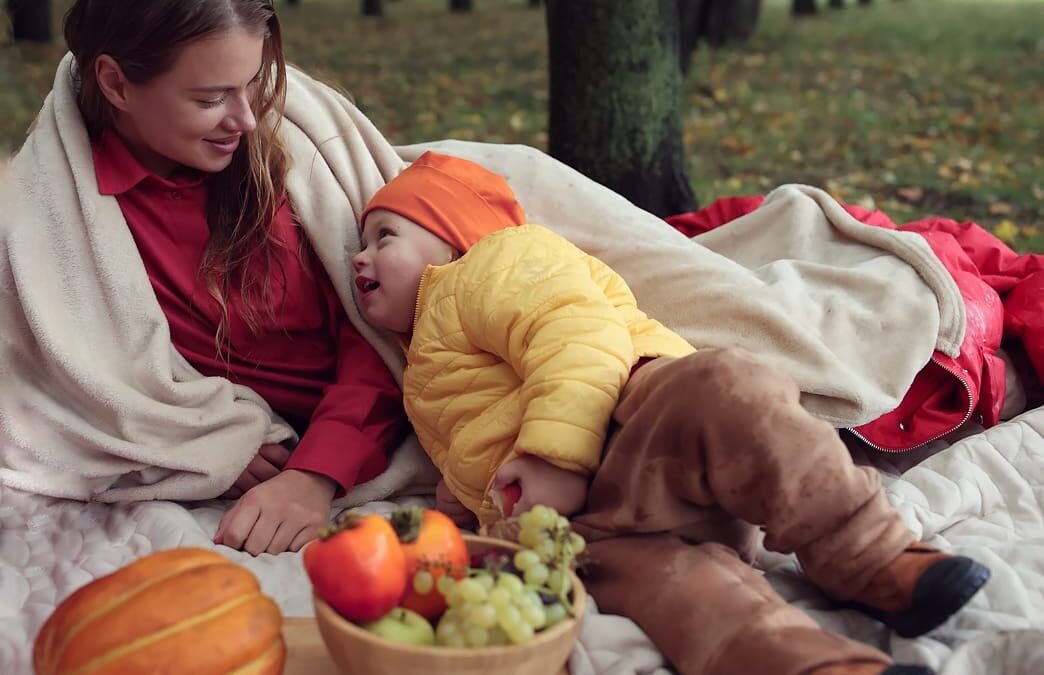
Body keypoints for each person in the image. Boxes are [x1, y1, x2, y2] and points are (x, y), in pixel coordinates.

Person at [351, 150, 991, 675]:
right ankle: (812, 665)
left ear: (454, 232)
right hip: (590, 527)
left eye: (386, 236)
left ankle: (867, 554)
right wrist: (465, 513)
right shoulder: (420, 368)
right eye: (360, 243)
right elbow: (471, 447)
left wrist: (554, 456)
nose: (360, 257)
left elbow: (571, 334)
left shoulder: (493, 264)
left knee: (729, 387)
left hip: (641, 425)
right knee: (674, 596)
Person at [59, 0, 407, 555]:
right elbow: (70, 380)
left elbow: (386, 329)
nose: (247, 119)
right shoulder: (63, 218)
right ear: (116, 85)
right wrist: (200, 436)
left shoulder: (289, 167)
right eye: (210, 98)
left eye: (253, 83)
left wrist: (315, 474)